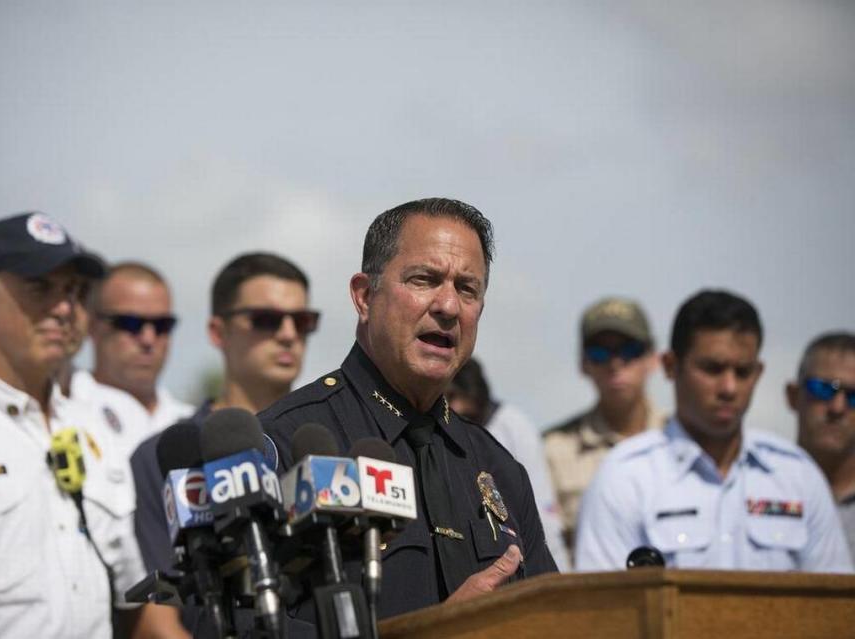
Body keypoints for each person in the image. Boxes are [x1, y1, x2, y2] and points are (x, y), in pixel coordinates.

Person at [261, 197, 558, 623]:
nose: (448, 306)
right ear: (365, 296)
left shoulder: (500, 470)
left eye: (467, 289)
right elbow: (234, 626)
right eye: (425, 280)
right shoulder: (288, 443)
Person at [0, 212, 159, 638]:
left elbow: (135, 603)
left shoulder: (97, 431)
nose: (64, 308)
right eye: (40, 288)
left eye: (75, 291)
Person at [576, 290, 853, 573]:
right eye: (712, 369)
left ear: (758, 373)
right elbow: (602, 609)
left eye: (742, 372)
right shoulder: (627, 478)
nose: (729, 388)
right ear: (671, 366)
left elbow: (836, 604)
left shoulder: (797, 476)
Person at [129, 252, 319, 637]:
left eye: (302, 321)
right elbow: (155, 615)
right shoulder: (167, 456)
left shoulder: (318, 445)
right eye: (265, 319)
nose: (288, 334)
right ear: (218, 331)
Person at [542, 296, 665, 560]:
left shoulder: (683, 441)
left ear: (653, 359)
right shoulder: (553, 451)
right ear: (583, 364)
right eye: (600, 353)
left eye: (629, 350)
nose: (615, 363)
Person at [446, 357, 569, 570]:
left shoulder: (512, 426)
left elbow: (542, 510)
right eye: (448, 397)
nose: (454, 405)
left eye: (457, 396)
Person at [80, 262, 194, 455]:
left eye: (162, 325)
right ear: (91, 326)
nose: (148, 339)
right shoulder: (62, 414)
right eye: (130, 324)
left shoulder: (193, 426)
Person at [789, 331, 855, 559]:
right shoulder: (758, 489)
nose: (837, 408)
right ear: (792, 395)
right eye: (823, 389)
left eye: (853, 396)